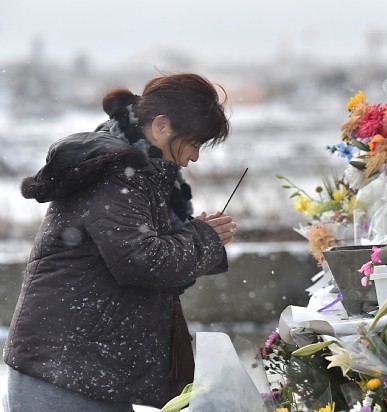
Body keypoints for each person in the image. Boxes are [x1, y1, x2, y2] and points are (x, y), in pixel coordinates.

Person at [2, 72, 237, 411]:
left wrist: (195, 238)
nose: (194, 157)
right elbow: (142, 262)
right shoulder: (117, 172)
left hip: (88, 369)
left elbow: (145, 260)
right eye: (194, 143)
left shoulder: (135, 171)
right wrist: (203, 239)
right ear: (161, 126)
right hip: (66, 375)